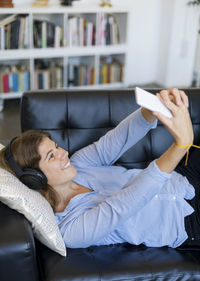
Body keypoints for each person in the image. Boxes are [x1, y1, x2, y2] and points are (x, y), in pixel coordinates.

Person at [0, 88, 199, 249]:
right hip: (186, 222)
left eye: (57, 146)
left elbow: (119, 138)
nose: (64, 153)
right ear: (35, 178)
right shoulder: (71, 229)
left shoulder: (79, 164)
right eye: (52, 156)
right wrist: (181, 145)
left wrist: (154, 107)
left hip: (183, 179)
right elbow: (124, 204)